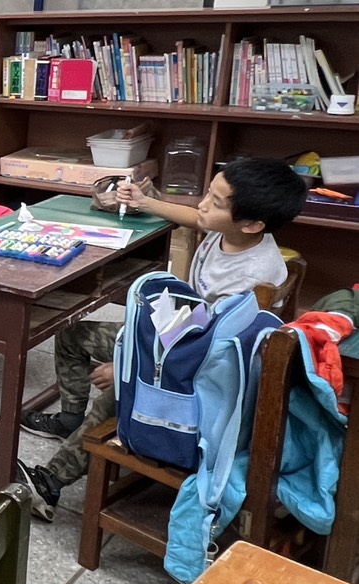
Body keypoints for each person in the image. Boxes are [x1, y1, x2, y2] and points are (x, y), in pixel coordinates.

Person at [18, 157, 307, 522]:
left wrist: (125, 362)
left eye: (217, 202)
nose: (203, 204)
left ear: (251, 224)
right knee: (74, 335)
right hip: (181, 334)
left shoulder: (251, 278)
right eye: (209, 193)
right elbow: (197, 218)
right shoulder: (234, 231)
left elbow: (201, 354)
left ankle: (50, 483)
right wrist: (144, 201)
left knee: (116, 395)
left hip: (198, 370)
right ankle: (68, 420)